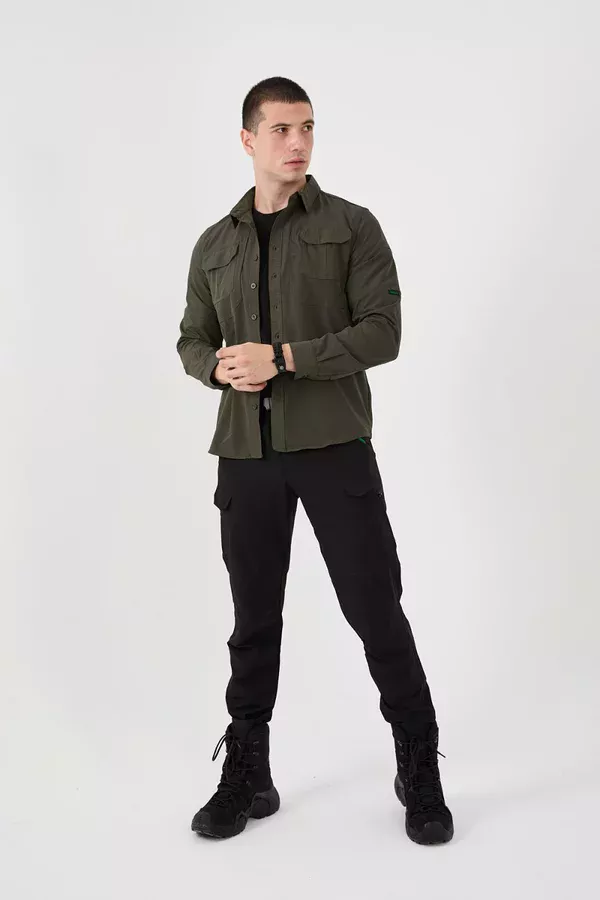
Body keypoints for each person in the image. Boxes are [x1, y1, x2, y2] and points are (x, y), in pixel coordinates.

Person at [176, 76, 454, 846]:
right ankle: (249, 772)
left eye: (307, 128)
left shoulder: (351, 226)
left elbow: (382, 332)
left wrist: (286, 357)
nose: (297, 143)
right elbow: (192, 336)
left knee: (375, 608)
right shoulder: (215, 243)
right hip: (246, 454)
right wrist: (216, 367)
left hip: (334, 447)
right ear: (248, 140)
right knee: (252, 621)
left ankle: (418, 765)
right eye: (281, 129)